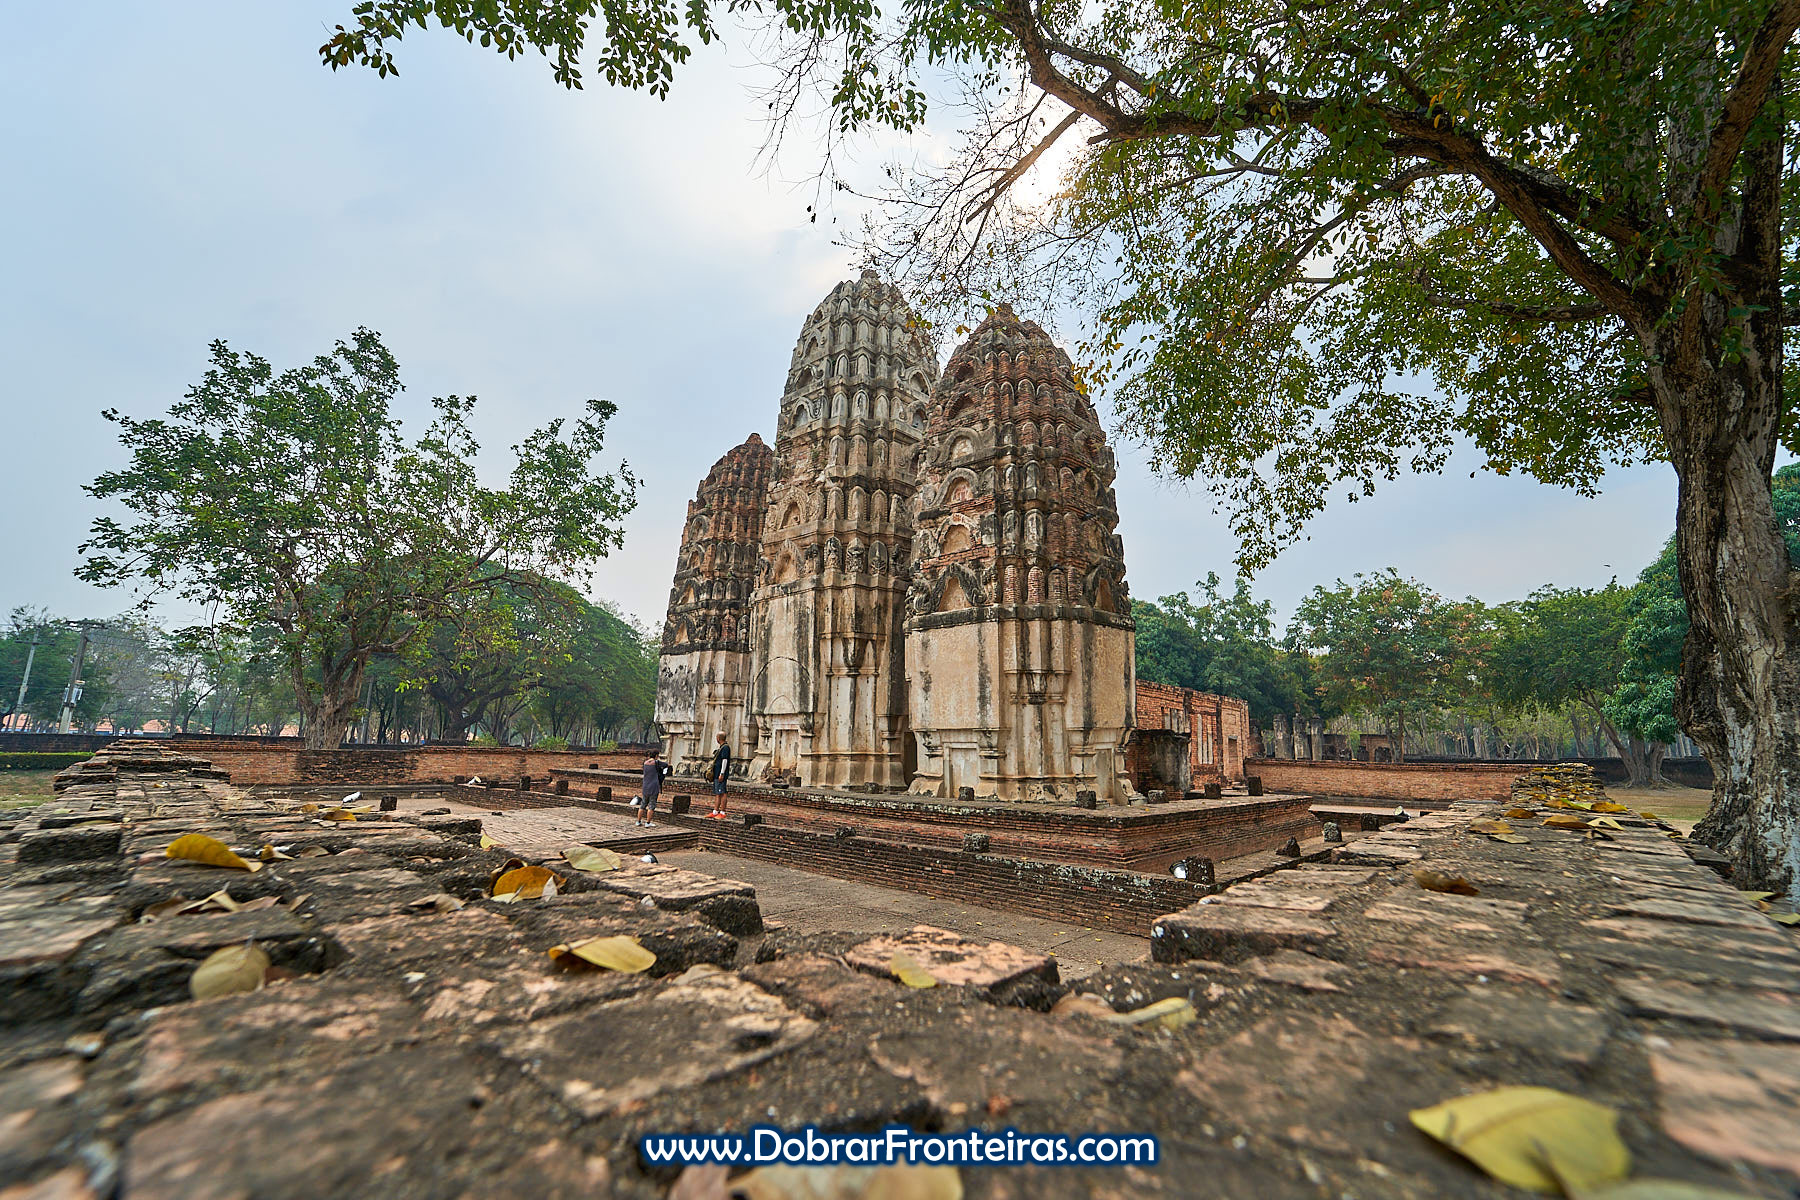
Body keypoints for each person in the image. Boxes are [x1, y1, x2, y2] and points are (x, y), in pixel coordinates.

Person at [637, 749, 671, 827]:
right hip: (654, 786)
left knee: (643, 804)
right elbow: (666, 764)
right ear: (656, 756)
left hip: (645, 786)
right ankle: (648, 822)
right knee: (651, 805)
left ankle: (638, 821)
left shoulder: (645, 763)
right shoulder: (656, 762)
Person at [707, 732, 732, 817]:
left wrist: (722, 773)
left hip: (721, 774)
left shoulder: (725, 748)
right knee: (718, 792)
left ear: (718, 738)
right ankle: (715, 811)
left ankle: (723, 812)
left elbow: (725, 761)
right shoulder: (721, 748)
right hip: (717, 773)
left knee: (723, 792)